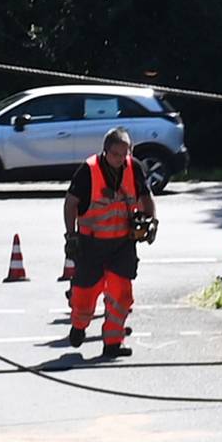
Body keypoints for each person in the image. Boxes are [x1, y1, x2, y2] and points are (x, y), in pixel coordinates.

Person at [63, 127, 156, 357]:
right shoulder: (88, 170)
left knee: (121, 295)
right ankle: (79, 325)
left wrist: (152, 221)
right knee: (84, 295)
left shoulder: (133, 168)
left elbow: (146, 196)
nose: (120, 159)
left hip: (122, 244)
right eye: (116, 154)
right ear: (105, 151)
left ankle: (113, 342)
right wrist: (71, 235)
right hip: (91, 244)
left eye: (125, 154)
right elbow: (71, 203)